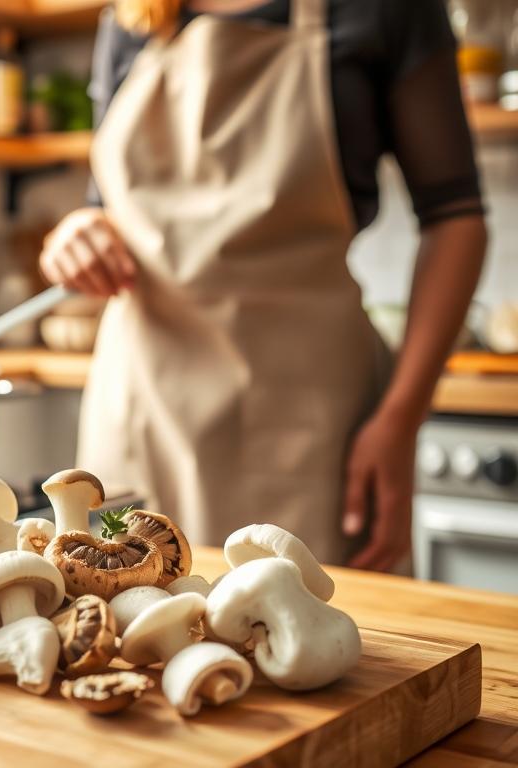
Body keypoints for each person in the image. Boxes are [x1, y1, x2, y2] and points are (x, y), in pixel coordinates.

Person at [39, 0, 487, 572]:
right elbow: (105, 207)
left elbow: (455, 215)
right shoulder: (132, 17)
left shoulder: (385, 10)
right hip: (142, 408)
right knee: (129, 627)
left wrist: (400, 420)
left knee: (330, 640)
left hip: (312, 419)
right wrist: (78, 232)